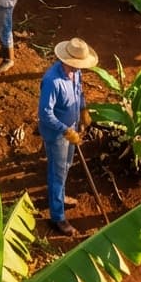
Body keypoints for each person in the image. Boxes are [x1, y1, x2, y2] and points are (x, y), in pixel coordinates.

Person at [38, 36, 97, 235]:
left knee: (66, 166)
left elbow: (79, 93)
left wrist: (83, 110)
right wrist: (65, 129)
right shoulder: (52, 81)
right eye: (73, 65)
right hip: (57, 134)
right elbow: (45, 113)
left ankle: (60, 196)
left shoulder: (76, 73)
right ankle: (58, 217)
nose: (76, 68)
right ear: (64, 60)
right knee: (57, 171)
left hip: (71, 127)